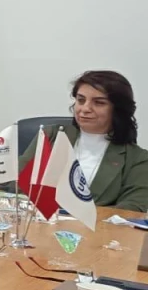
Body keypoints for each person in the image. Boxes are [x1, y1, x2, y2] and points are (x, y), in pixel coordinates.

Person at [19, 70, 148, 212]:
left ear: (118, 110)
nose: (85, 109)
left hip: (98, 226)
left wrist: (80, 218)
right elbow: (16, 183)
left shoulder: (138, 159)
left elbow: (133, 208)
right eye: (81, 100)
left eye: (99, 103)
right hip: (39, 221)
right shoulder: (51, 136)